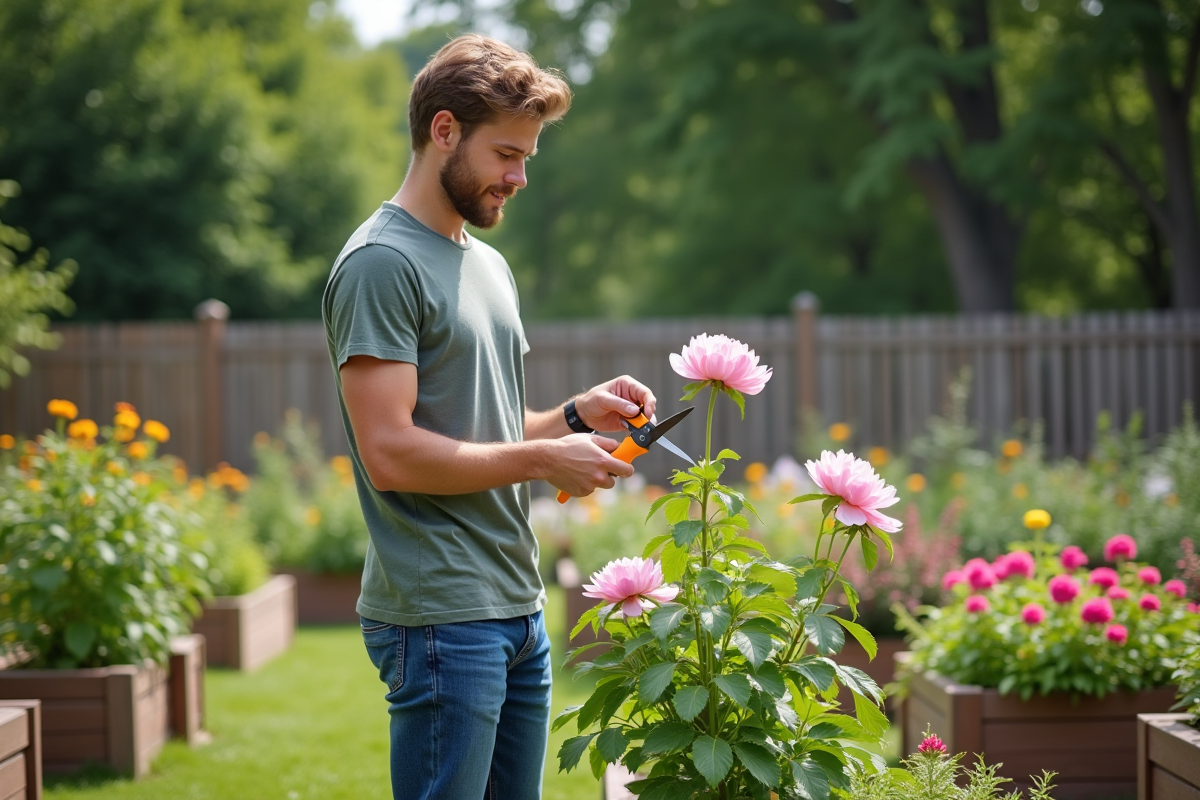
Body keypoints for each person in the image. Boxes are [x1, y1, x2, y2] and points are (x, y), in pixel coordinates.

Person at [321, 34, 657, 800]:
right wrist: (545, 462)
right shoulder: (381, 264)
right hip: (441, 616)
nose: (521, 176)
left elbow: (483, 427)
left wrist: (572, 417)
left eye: (529, 157)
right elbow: (392, 453)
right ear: (444, 131)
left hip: (516, 606)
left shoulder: (486, 263)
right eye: (507, 154)